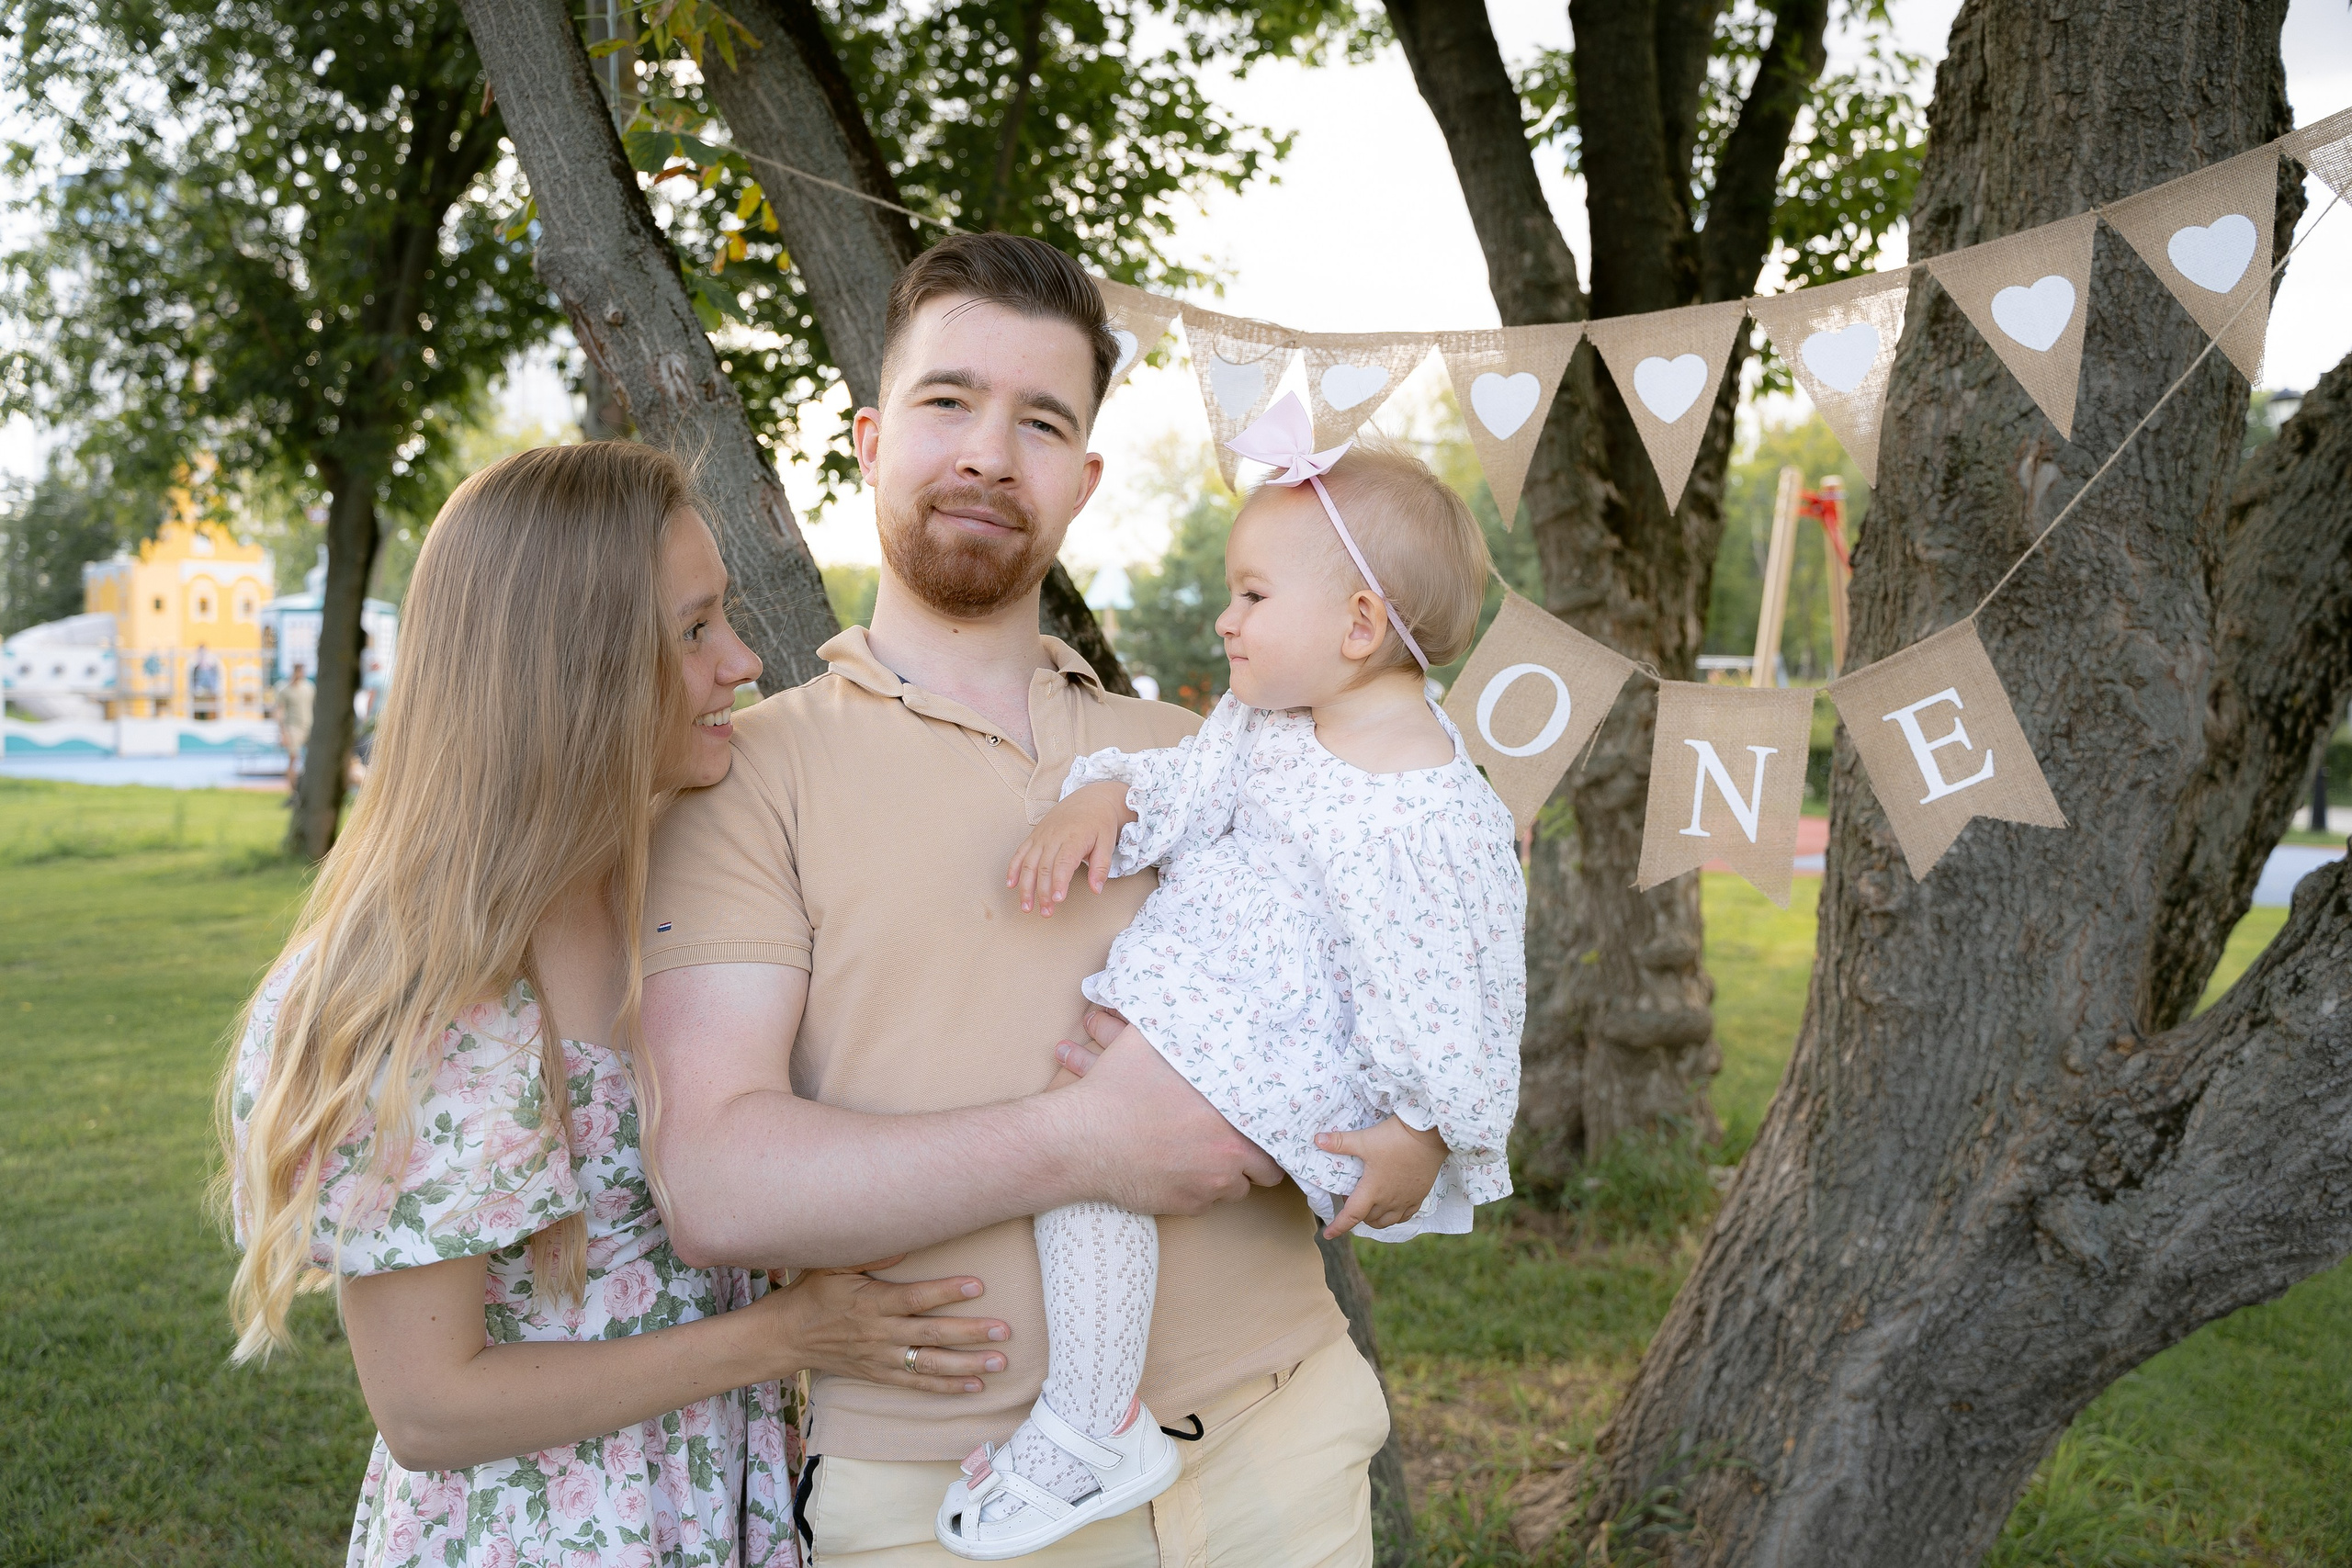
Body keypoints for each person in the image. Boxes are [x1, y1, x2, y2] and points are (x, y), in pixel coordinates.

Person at [640, 233, 1384, 1567]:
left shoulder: (1206, 755)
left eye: (1041, 422)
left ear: (1084, 480)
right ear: (869, 442)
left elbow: (1377, 1021)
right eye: (949, 402)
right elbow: (716, 1183)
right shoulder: (745, 775)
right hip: (948, 1497)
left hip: (1283, 1435)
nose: (989, 453)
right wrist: (1091, 1141)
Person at [221, 445, 1013, 1568]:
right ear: (570, 671)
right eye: (693, 630)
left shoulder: (683, 884)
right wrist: (785, 1335)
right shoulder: (425, 994)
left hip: (713, 1501)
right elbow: (429, 1408)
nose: (742, 661)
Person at [943, 397, 1526, 1555]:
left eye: (1252, 596)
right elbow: (1189, 789)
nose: (1225, 620)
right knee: (1082, 1163)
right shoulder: (1268, 728)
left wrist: (1426, 1131)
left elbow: (1465, 991)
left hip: (1283, 1057)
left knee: (1080, 1161)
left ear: (1359, 623)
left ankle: (1090, 1422)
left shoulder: (1436, 810)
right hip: (1205, 1017)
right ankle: (1095, 1416)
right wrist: (1112, 798)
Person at [273, 660, 313, 792]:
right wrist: (282, 733)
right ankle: (294, 791)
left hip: (308, 726)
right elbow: (279, 711)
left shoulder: (309, 687)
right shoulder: (284, 689)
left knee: (312, 757)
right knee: (293, 758)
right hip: (293, 727)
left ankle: (308, 789)